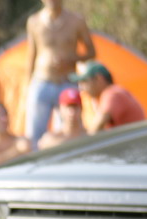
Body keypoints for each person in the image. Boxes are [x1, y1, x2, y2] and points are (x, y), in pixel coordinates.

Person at [25, 0, 95, 149]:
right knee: (35, 134)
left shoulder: (76, 21)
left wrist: (71, 59)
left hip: (67, 82)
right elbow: (31, 55)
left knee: (70, 132)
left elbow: (91, 52)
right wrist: (28, 84)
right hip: (42, 81)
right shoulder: (34, 21)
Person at [70, 60, 145, 132]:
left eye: (84, 81)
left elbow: (95, 130)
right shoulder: (113, 92)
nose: (81, 88)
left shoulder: (112, 94)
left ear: (99, 78)